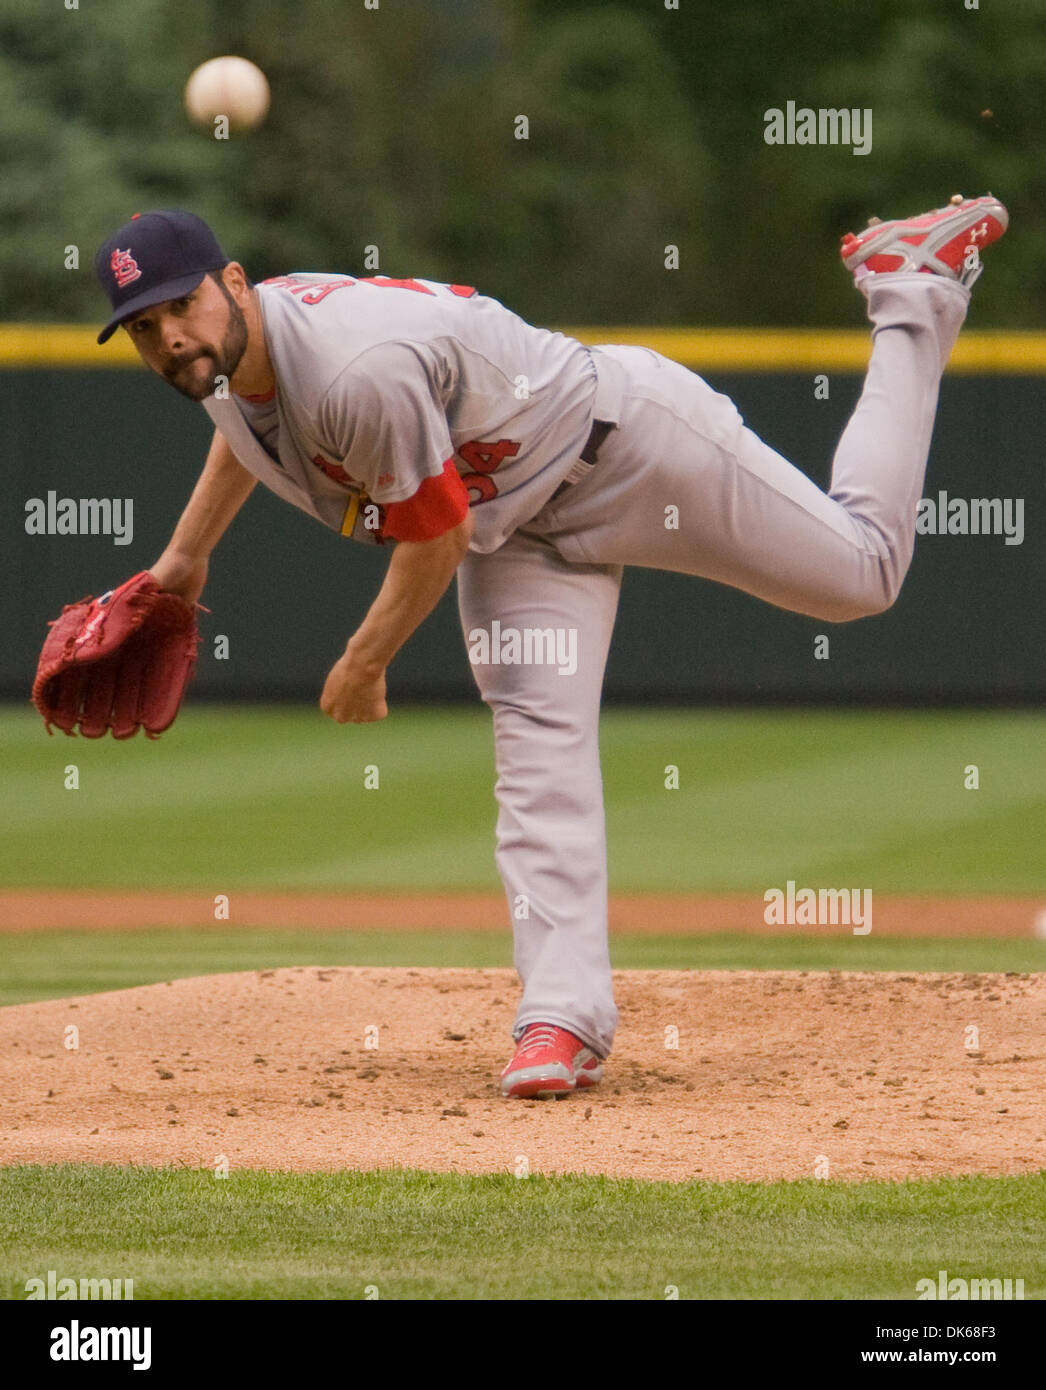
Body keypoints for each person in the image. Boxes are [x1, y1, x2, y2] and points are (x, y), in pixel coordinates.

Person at [92, 195, 1007, 1098]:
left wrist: (365, 660)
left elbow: (435, 534)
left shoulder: (350, 369)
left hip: (629, 447)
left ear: (235, 284)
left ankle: (909, 293)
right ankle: (560, 1019)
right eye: (144, 325)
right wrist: (183, 558)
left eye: (182, 304)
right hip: (517, 531)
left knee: (863, 574)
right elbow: (247, 432)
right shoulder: (227, 363)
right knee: (536, 752)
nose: (170, 335)